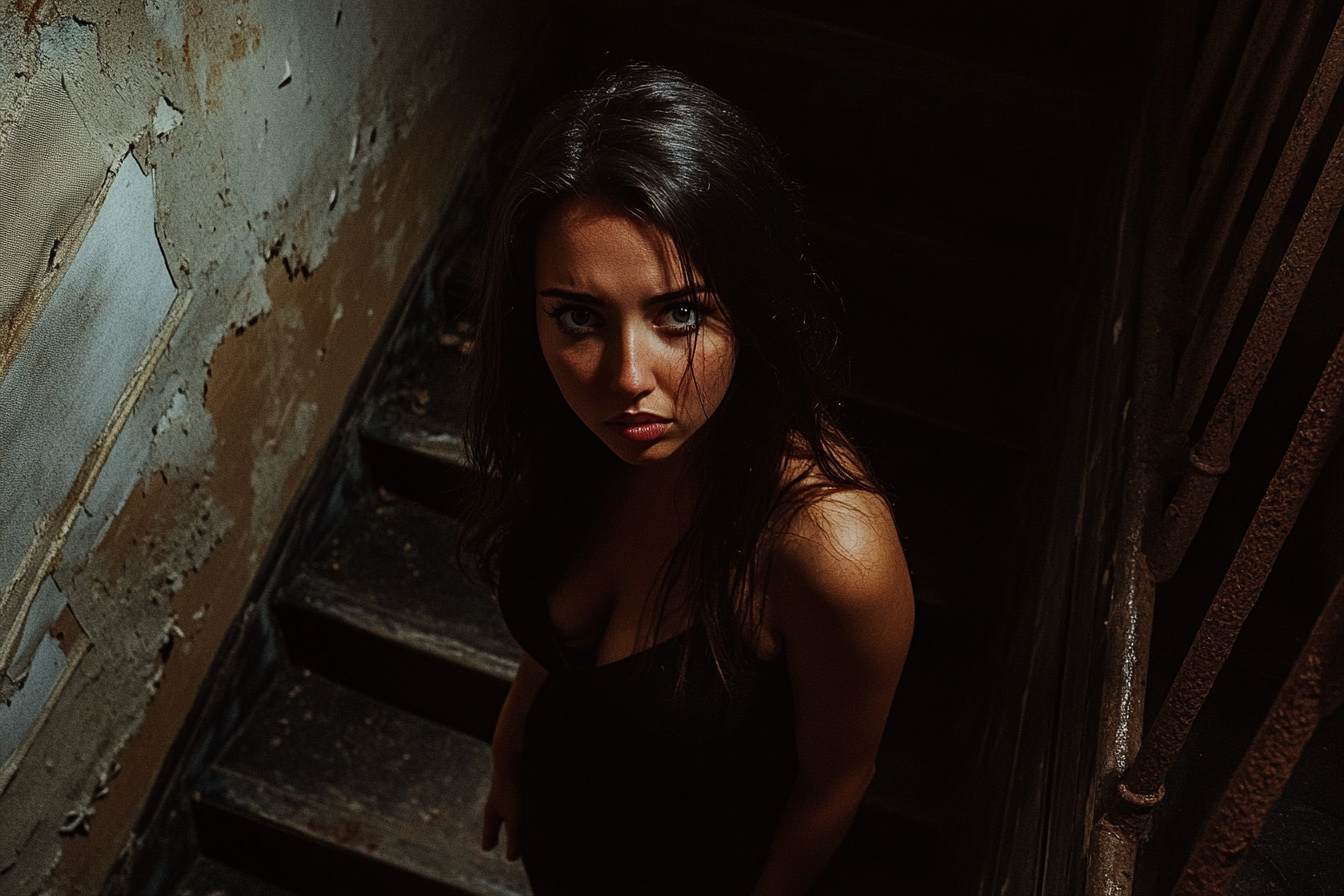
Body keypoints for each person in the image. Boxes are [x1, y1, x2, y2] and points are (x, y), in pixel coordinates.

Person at [464, 63, 914, 896]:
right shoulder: (583, 432)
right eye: (578, 316)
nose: (629, 376)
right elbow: (560, 654)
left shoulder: (829, 548)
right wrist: (510, 748)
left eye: (681, 313)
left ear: (751, 301)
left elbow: (834, 781)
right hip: (566, 844)